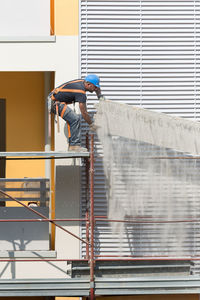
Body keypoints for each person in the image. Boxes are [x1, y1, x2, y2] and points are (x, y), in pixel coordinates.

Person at [48, 74, 104, 152]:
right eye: (94, 87)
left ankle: (73, 145)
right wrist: (91, 124)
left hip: (54, 100)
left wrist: (101, 98)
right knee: (75, 119)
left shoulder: (83, 82)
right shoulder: (80, 92)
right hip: (54, 103)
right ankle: (74, 146)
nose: (96, 89)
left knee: (74, 119)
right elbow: (84, 113)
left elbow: (98, 89)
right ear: (88, 84)